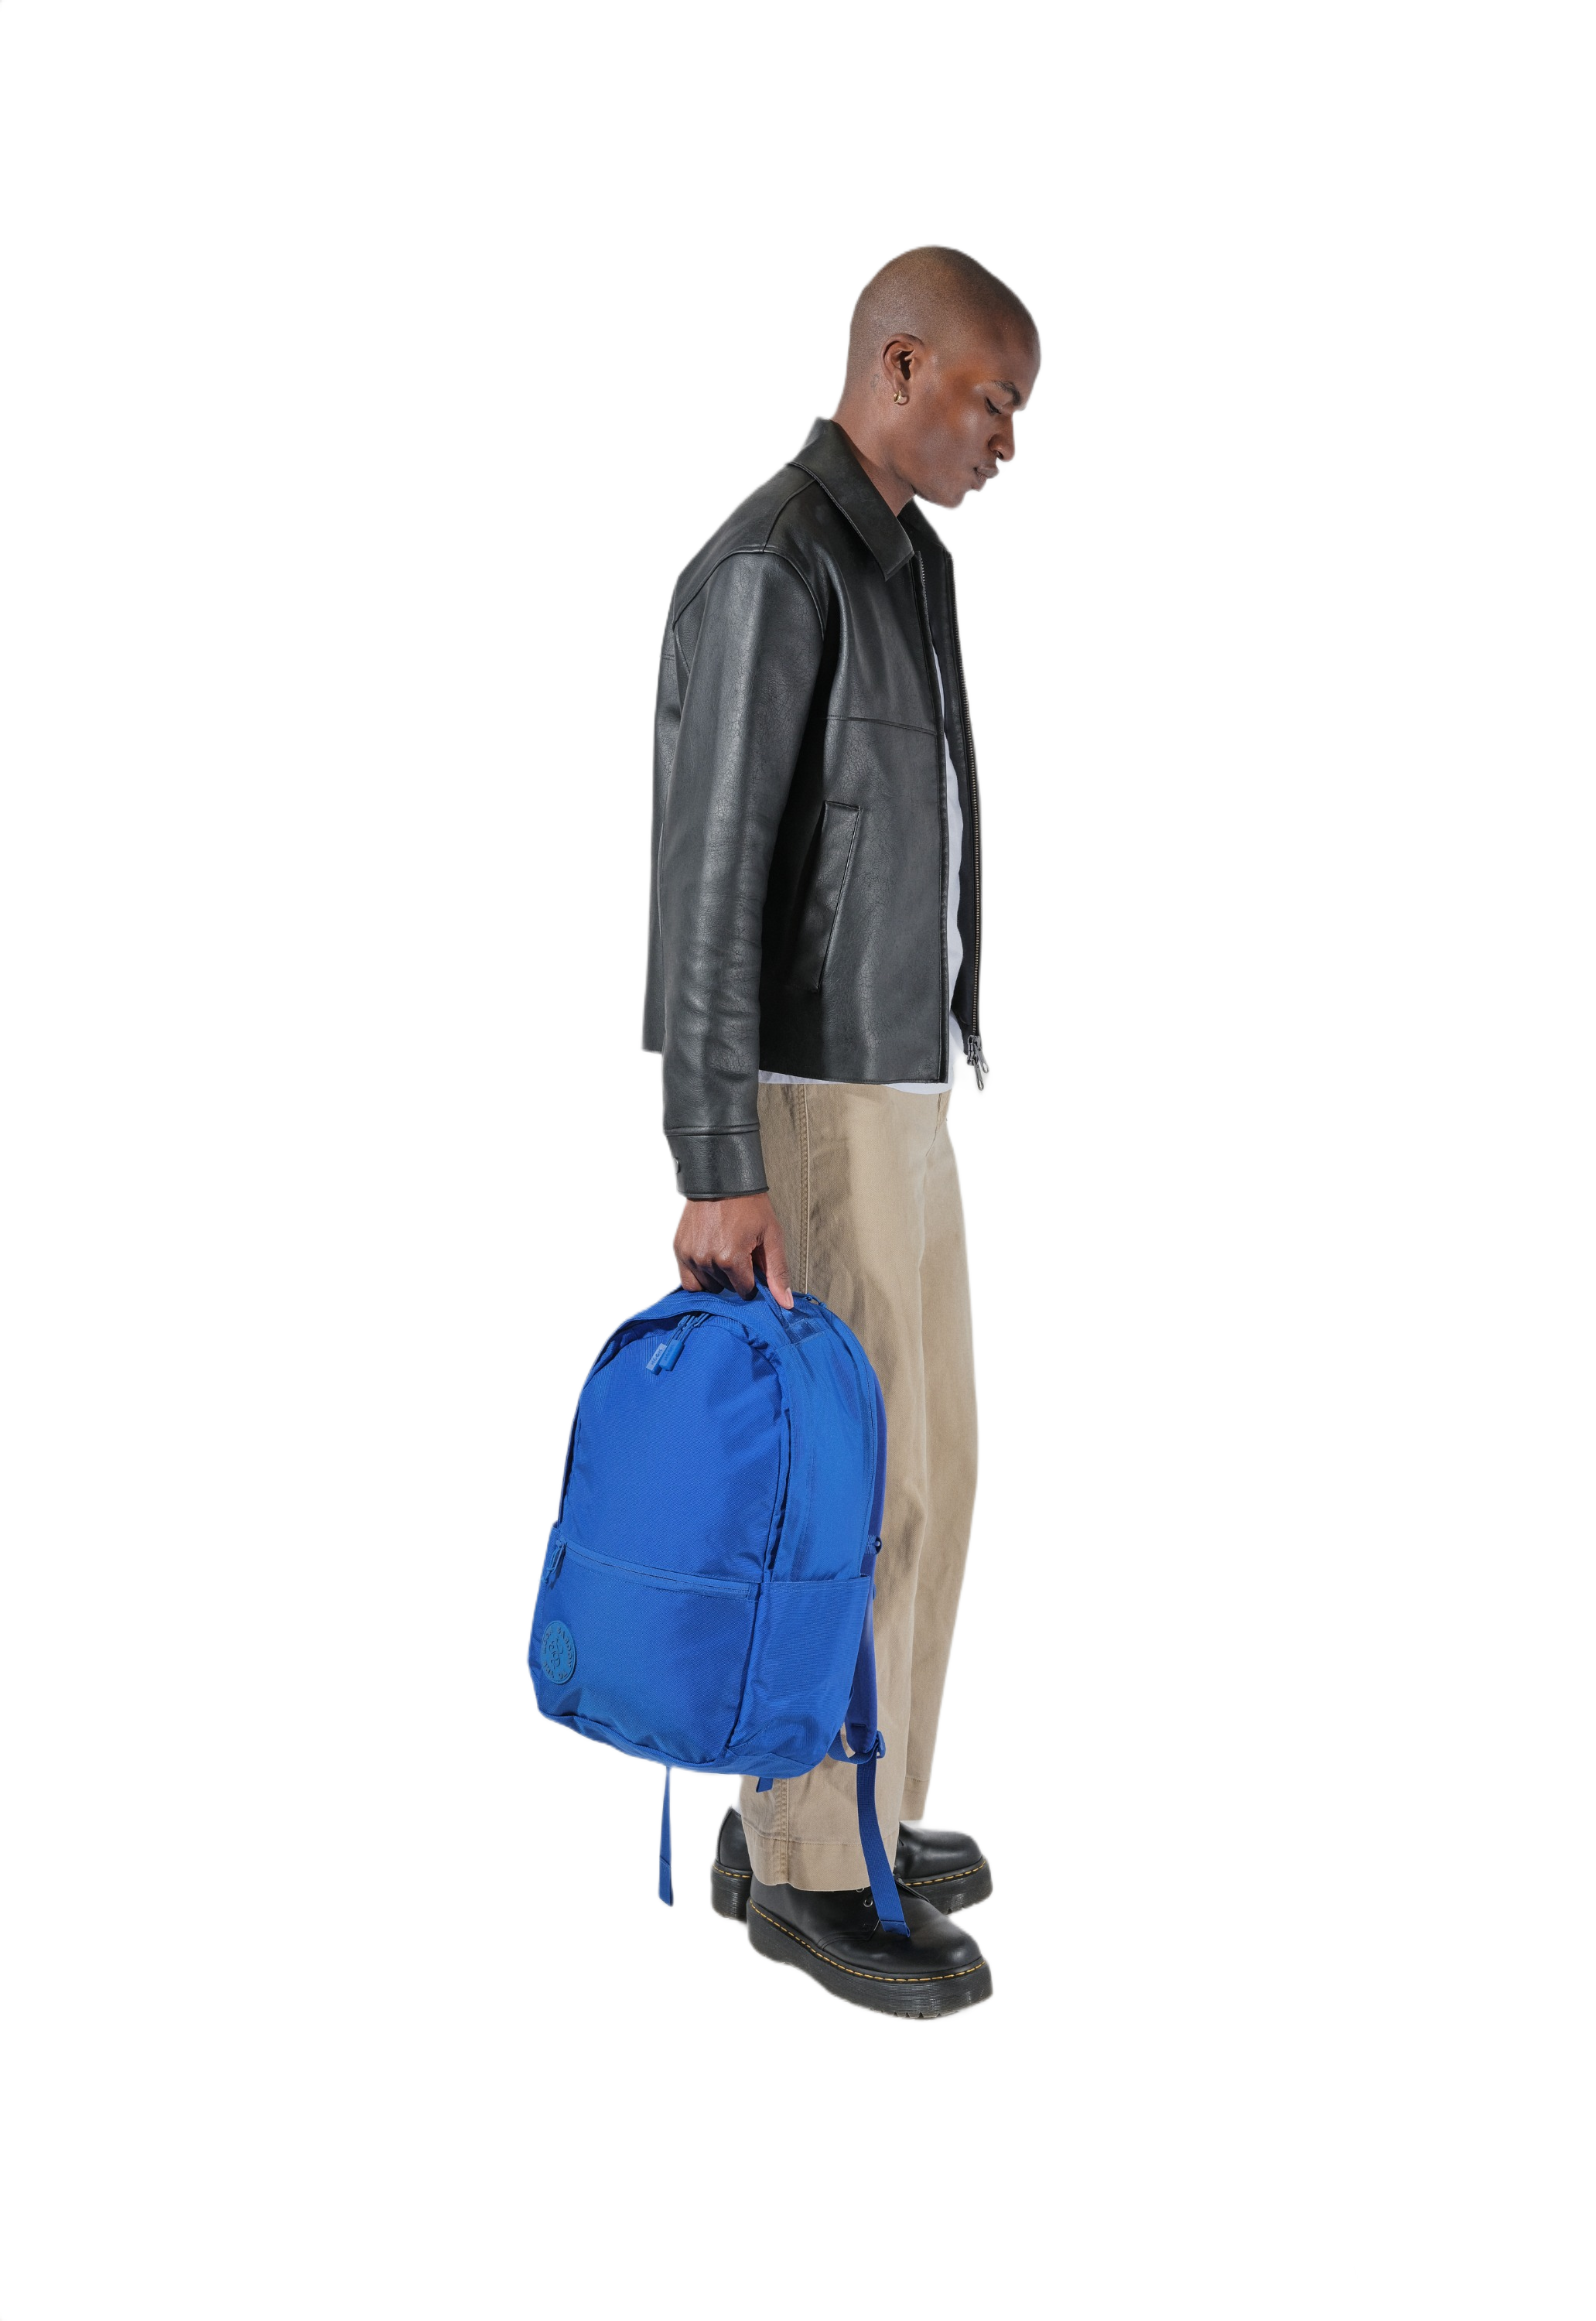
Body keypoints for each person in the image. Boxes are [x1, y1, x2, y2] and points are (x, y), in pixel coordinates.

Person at [639, 243, 1041, 2020]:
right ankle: (812, 1870)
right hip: (808, 1103)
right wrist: (716, 1161)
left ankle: (831, 1807)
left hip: (895, 1084)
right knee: (853, 1494)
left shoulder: (904, 560)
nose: (1006, 439)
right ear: (900, 366)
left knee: (927, 1474)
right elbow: (709, 882)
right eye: (993, 400)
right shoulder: (773, 564)